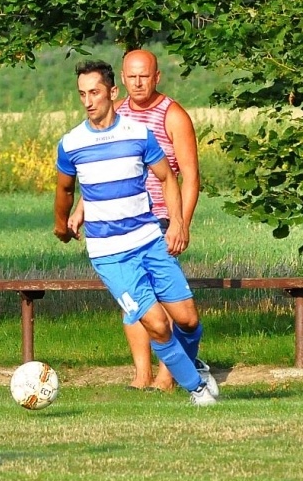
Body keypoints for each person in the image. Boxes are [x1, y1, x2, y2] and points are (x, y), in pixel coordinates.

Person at [54, 60, 218, 406]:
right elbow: (69, 190)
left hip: (149, 239)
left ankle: (188, 367)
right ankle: (196, 389)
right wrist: (65, 221)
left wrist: (177, 222)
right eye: (82, 94)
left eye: (94, 92)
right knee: (157, 323)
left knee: (187, 319)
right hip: (110, 253)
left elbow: (169, 177)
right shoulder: (71, 143)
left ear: (112, 92)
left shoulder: (140, 133)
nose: (88, 101)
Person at [109, 49, 200, 389]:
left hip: (160, 218)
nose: (138, 83)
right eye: (131, 76)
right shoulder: (115, 114)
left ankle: (168, 374)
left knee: (164, 299)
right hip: (122, 221)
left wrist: (181, 223)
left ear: (157, 77)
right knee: (132, 298)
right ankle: (141, 373)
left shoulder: (172, 115)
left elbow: (190, 176)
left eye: (144, 76)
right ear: (121, 78)